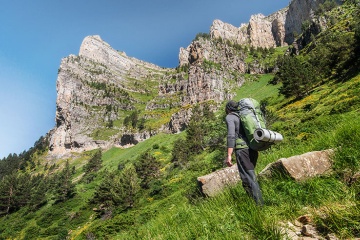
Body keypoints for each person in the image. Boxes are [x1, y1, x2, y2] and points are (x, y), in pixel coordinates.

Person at [225, 100, 263, 205]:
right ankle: (253, 202)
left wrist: (229, 155)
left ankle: (259, 206)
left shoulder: (230, 117)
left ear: (228, 108)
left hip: (242, 150)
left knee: (249, 178)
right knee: (248, 177)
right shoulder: (243, 115)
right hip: (252, 148)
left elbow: (231, 135)